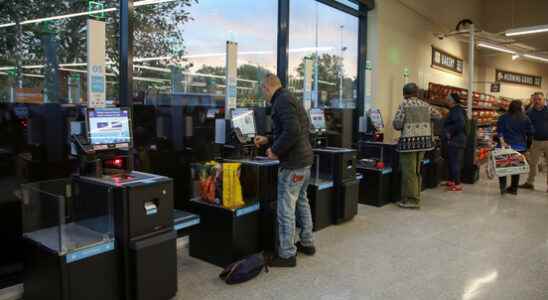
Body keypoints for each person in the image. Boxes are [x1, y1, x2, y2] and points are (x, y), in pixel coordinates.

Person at [254, 74, 315, 267]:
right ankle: (307, 242)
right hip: (304, 161)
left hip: (293, 164)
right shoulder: (290, 98)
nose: (263, 95)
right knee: (302, 202)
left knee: (286, 208)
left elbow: (293, 131)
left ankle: (287, 254)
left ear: (266, 88)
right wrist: (268, 139)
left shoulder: (281, 101)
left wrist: (275, 150)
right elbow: (292, 129)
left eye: (262, 91)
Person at [393, 83, 439, 209]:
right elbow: (438, 115)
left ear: (404, 94)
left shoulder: (404, 105)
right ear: (417, 93)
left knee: (409, 172)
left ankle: (411, 200)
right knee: (417, 171)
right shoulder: (426, 105)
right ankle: (416, 196)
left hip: (409, 144)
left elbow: (397, 124)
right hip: (424, 143)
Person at [496, 100, 533, 195]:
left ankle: (502, 188)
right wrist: (527, 147)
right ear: (520, 107)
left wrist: (502, 142)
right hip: (519, 147)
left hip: (504, 146)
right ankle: (513, 189)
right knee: (516, 169)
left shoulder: (503, 117)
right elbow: (530, 134)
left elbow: (499, 132)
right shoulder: (525, 118)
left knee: (502, 168)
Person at [520, 92, 548, 192]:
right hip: (535, 141)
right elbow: (525, 125)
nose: (537, 101)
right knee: (532, 163)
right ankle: (529, 183)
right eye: (535, 99)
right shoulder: (530, 112)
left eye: (539, 99)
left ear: (544, 100)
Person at [443, 93, 467, 192]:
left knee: (455, 162)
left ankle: (457, 184)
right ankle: (452, 180)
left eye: (447, 98)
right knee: (451, 161)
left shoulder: (456, 111)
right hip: (456, 140)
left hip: (456, 140)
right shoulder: (455, 110)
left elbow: (460, 124)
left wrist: (449, 133)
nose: (446, 100)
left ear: (452, 100)